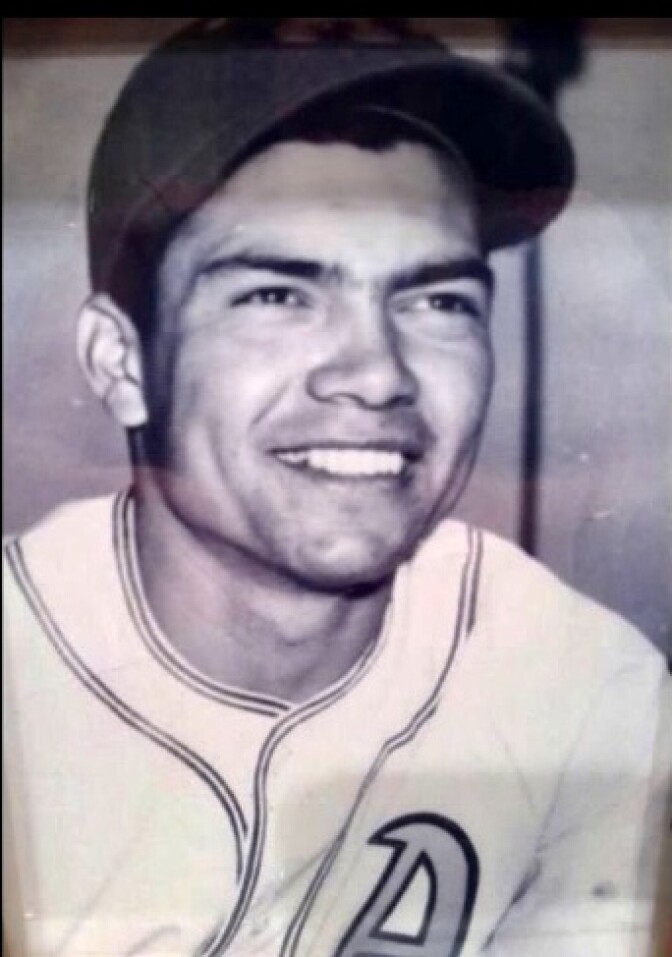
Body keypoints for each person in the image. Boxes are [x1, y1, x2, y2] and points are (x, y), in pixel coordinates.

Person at [3, 18, 669, 957]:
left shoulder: (587, 693)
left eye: (436, 300)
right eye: (277, 294)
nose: (377, 373)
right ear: (121, 361)